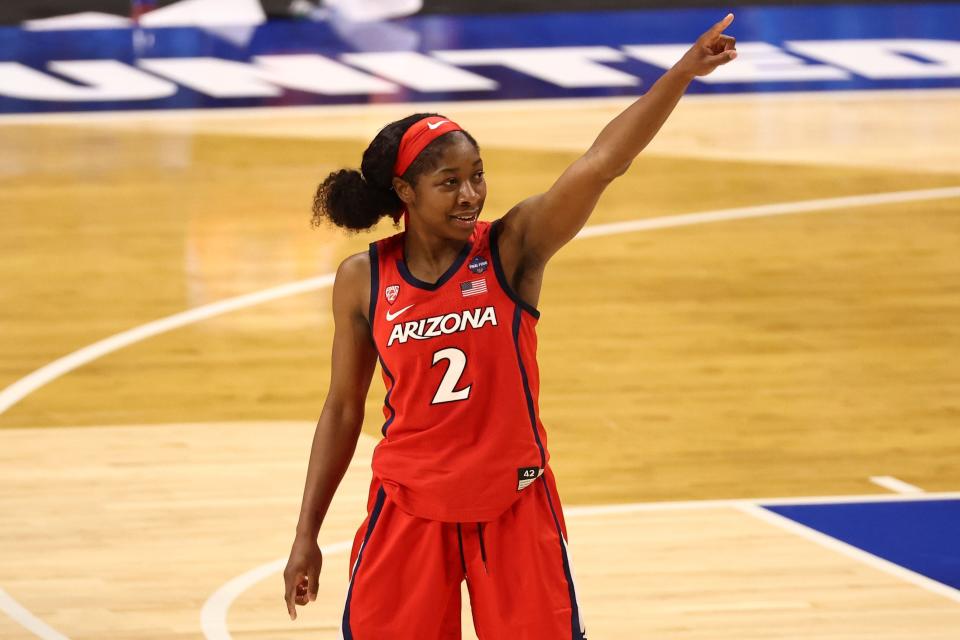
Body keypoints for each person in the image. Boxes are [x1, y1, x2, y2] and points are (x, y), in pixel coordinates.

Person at [283, 14, 737, 639]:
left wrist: (681, 75)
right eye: (450, 182)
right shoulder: (362, 279)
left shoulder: (512, 247)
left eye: (477, 175)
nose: (471, 194)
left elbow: (603, 163)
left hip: (514, 503)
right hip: (409, 507)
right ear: (404, 192)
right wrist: (306, 534)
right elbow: (341, 410)